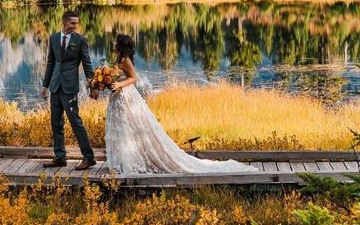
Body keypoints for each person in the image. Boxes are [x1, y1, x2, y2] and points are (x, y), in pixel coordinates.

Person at [105, 34, 259, 175]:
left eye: (115, 41)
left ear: (121, 45)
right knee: (123, 128)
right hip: (118, 97)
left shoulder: (125, 60)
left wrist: (119, 85)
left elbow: (133, 78)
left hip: (126, 96)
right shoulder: (118, 60)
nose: (113, 43)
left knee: (131, 126)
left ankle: (132, 160)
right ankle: (123, 159)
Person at [41, 10, 96, 170]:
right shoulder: (53, 38)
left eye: (76, 23)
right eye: (73, 23)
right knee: (55, 123)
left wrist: (92, 86)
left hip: (70, 88)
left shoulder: (80, 40)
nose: (75, 26)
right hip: (55, 86)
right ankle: (59, 157)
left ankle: (89, 157)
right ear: (64, 22)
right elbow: (51, 63)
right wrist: (45, 85)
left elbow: (87, 65)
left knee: (75, 122)